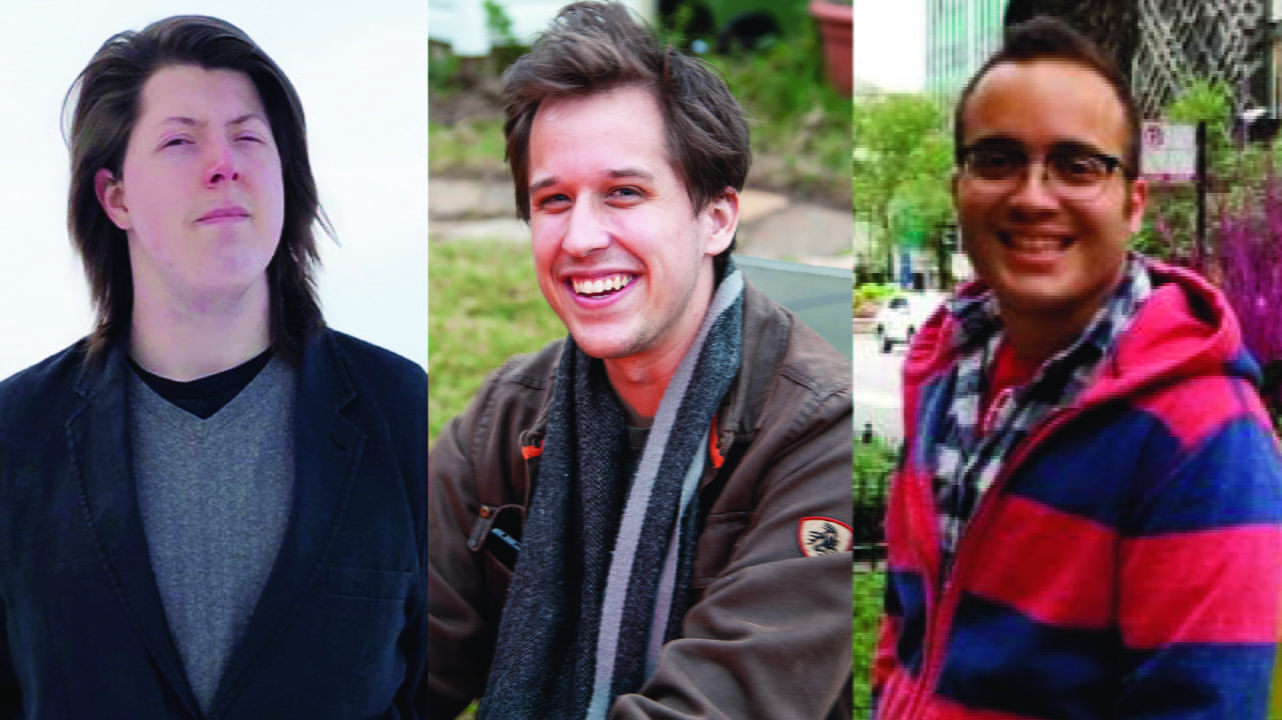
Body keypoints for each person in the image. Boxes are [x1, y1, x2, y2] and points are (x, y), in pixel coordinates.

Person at [427, 2, 854, 718]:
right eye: (554, 200)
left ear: (715, 218)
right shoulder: (505, 420)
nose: (582, 236)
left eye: (624, 193)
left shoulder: (823, 438)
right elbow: (393, 652)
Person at [0, 16, 428, 718]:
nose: (223, 163)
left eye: (248, 137)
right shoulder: (16, 433)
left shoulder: (402, 408)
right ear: (116, 197)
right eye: (179, 140)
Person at [872, 16, 1282, 719]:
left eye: (1077, 165)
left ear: (1133, 203)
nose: (1033, 195)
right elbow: (904, 625)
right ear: (959, 187)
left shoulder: (1205, 438)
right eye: (997, 159)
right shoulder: (943, 369)